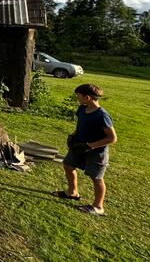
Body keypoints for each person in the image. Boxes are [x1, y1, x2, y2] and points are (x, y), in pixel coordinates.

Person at [54, 84, 117, 216]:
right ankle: (72, 192)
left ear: (87, 97)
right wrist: (73, 135)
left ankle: (98, 207)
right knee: (68, 165)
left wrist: (90, 146)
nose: (77, 98)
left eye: (78, 96)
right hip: (79, 146)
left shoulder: (102, 116)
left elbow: (112, 138)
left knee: (96, 178)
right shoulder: (82, 108)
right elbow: (81, 125)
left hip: (96, 151)